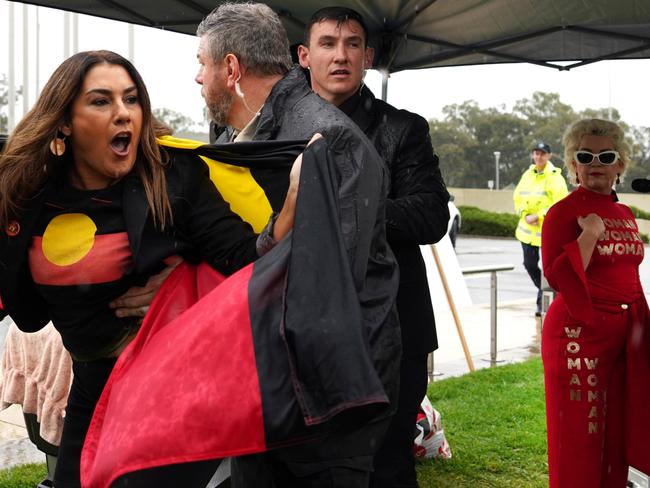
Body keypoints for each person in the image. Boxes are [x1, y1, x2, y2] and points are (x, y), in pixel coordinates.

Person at [0, 50, 298, 488]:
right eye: (101, 101)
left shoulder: (172, 177)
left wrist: (290, 205)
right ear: (64, 121)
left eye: (132, 99)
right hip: (90, 382)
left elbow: (245, 261)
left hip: (165, 389)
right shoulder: (26, 191)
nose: (123, 113)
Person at [195, 3, 400, 487]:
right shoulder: (231, 135)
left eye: (201, 63)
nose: (197, 79)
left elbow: (324, 284)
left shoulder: (326, 140)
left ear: (230, 68)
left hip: (323, 401)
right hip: (265, 383)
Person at [297, 7, 449, 487]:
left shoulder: (403, 128)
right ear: (304, 56)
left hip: (394, 325)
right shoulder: (279, 127)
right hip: (303, 325)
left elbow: (430, 215)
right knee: (309, 462)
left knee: (387, 464)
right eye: (327, 43)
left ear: (368, 56)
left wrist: (340, 211)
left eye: (351, 45)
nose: (339, 55)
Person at [541, 118, 650, 487]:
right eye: (585, 156)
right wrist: (588, 235)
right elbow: (558, 278)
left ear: (620, 164)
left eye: (606, 156)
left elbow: (628, 275)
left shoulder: (625, 214)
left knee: (617, 431)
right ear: (573, 165)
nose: (595, 164)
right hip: (578, 335)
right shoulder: (561, 214)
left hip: (624, 338)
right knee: (579, 437)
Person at [513, 141, 568, 316]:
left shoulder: (555, 177)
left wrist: (540, 216)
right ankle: (547, 292)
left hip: (547, 232)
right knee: (529, 264)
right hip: (527, 232)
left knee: (548, 270)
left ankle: (542, 303)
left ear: (549, 156)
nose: (538, 157)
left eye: (542, 154)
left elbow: (559, 204)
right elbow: (518, 197)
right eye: (536, 153)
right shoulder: (527, 174)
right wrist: (525, 215)